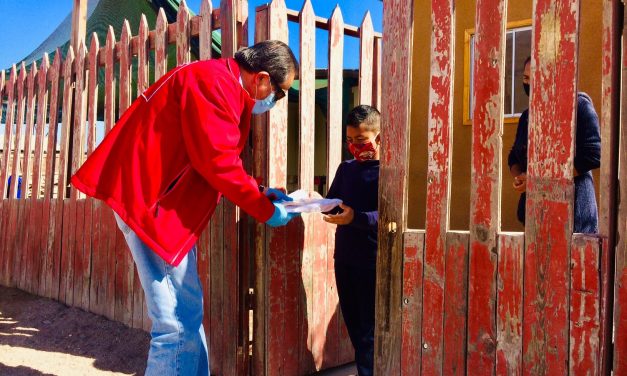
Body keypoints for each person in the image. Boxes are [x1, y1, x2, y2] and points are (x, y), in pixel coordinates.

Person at [71, 40, 300, 376]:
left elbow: (212, 154)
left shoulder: (218, 81)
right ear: (262, 78)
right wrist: (265, 210)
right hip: (155, 207)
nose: (276, 101)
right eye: (280, 92)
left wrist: (261, 192)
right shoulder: (215, 84)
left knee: (186, 313)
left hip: (161, 205)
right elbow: (218, 163)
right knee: (175, 322)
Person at [508, 56, 601, 233]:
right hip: (535, 217)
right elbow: (513, 155)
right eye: (526, 79)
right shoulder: (527, 116)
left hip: (575, 217)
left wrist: (538, 180)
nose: (529, 84)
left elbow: (593, 155)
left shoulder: (579, 105)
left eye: (535, 78)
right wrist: (520, 177)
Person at [323, 105, 380, 376]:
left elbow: (389, 214)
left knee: (370, 331)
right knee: (355, 327)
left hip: (372, 261)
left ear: (379, 138)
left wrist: (355, 218)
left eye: (361, 140)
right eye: (350, 141)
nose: (355, 146)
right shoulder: (345, 169)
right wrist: (313, 203)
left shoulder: (388, 170)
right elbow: (333, 201)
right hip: (344, 258)